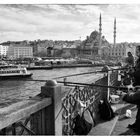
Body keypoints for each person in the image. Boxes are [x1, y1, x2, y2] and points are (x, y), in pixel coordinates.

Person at [121, 46, 140, 134]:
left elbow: (138, 73)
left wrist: (124, 96)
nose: (136, 52)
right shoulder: (137, 60)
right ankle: (137, 125)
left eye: (137, 51)